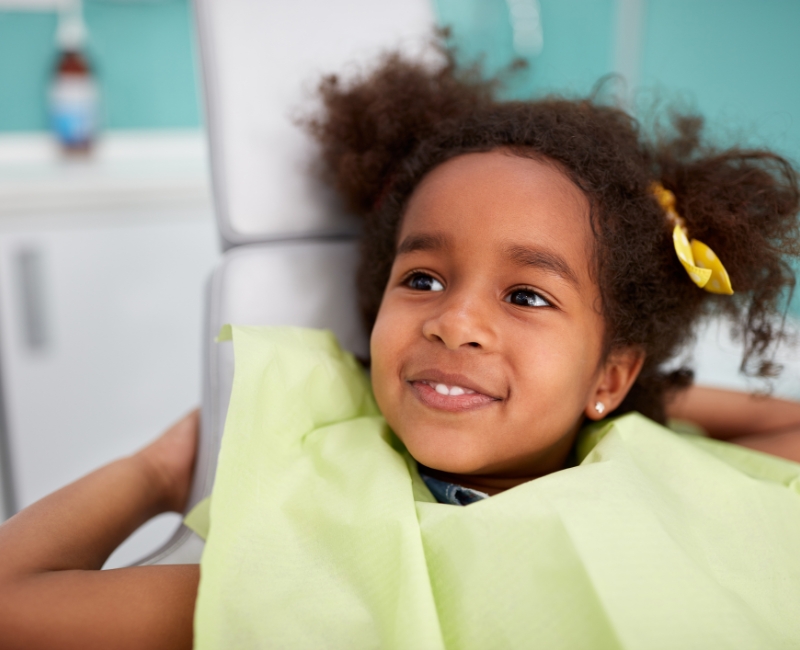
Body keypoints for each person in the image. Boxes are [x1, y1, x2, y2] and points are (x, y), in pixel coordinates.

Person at [2, 48, 800, 649]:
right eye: (422, 279)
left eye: (526, 296)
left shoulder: (651, 472)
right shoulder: (314, 552)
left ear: (612, 371)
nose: (454, 323)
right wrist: (159, 472)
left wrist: (637, 397)